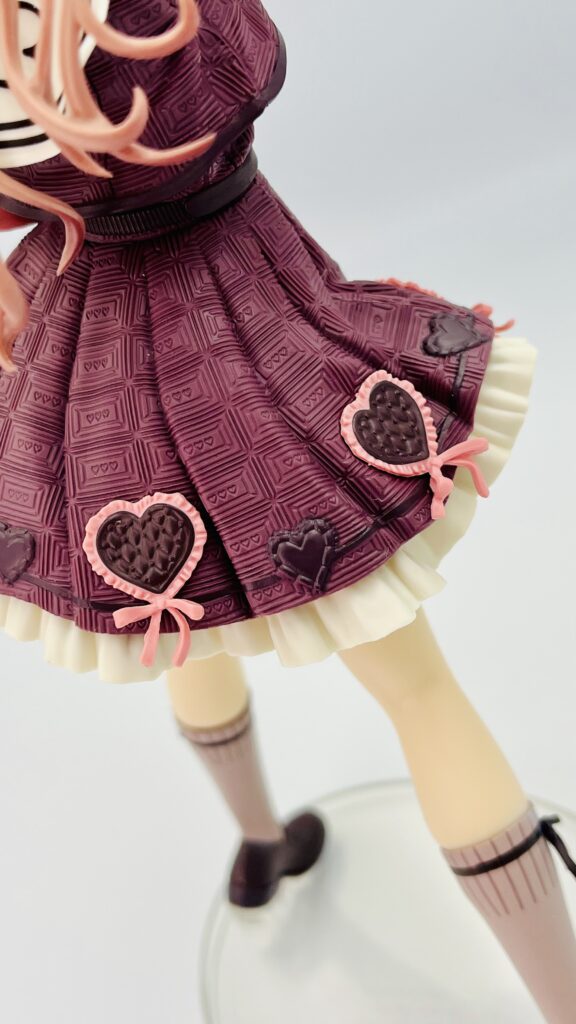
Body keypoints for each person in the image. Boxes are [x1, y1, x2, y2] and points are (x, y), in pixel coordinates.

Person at [0, 2, 574, 1020]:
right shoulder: (140, 21)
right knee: (420, 690)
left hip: (92, 354)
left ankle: (260, 845)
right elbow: (246, 63)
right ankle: (563, 994)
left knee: (180, 623)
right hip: (239, 332)